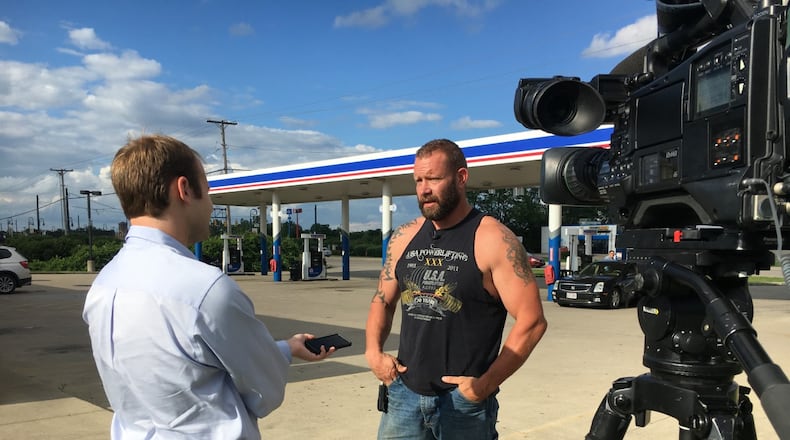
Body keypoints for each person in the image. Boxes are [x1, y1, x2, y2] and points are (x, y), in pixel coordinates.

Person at [83, 134, 334, 439]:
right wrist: (276, 356)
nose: (211, 204)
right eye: (209, 191)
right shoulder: (206, 290)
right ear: (184, 189)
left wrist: (286, 347)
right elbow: (263, 392)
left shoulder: (105, 283)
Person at [365, 138, 548, 439]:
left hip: (463, 406)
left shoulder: (494, 239)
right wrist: (374, 353)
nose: (424, 189)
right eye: (419, 180)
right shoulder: (404, 237)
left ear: (461, 178)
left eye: (434, 179)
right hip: (403, 395)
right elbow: (382, 300)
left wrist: (484, 386)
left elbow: (532, 322)